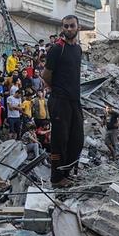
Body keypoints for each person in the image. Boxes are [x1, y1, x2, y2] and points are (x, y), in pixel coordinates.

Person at [43, 15, 85, 188]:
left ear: (78, 27)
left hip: (74, 100)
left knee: (77, 139)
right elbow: (46, 75)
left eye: (72, 26)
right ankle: (56, 177)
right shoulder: (56, 49)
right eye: (65, 26)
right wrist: (57, 90)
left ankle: (67, 172)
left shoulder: (78, 49)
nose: (68, 29)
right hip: (59, 101)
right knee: (59, 140)